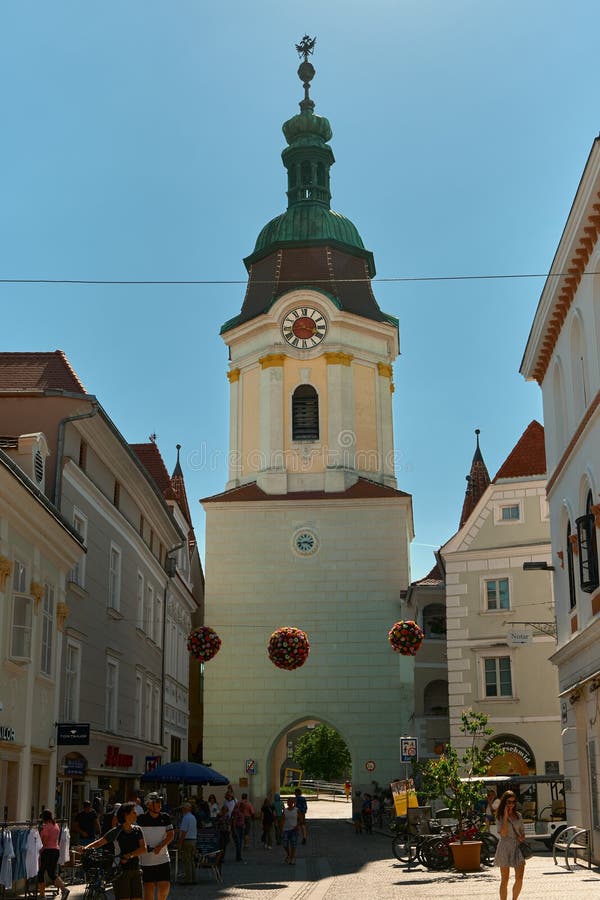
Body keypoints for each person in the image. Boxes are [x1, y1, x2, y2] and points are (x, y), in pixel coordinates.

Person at [76, 802, 146, 900]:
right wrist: (85, 848)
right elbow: (100, 842)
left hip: (136, 870)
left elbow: (143, 849)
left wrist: (129, 855)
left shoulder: (138, 830)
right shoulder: (117, 831)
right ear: (126, 814)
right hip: (121, 871)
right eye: (134, 813)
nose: (136, 815)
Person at [137, 792, 174, 900]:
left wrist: (160, 846)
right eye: (156, 802)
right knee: (149, 888)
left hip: (163, 859)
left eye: (160, 802)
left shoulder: (165, 817)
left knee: (165, 886)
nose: (159, 804)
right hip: (146, 860)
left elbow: (171, 835)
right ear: (148, 804)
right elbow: (136, 835)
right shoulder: (141, 818)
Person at [494, 790, 527, 900]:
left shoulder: (518, 815)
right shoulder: (499, 816)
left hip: (517, 847)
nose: (511, 804)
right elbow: (502, 833)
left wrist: (522, 836)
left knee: (520, 877)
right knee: (505, 879)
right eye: (509, 802)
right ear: (504, 802)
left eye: (513, 802)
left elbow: (522, 831)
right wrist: (505, 816)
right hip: (505, 847)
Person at [37, 810, 70, 900]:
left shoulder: (46, 827)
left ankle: (42, 895)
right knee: (52, 873)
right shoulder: (56, 826)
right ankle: (64, 889)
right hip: (55, 850)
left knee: (41, 873)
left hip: (47, 851)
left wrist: (39, 849)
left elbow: (44, 842)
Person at [176, 801, 197, 885]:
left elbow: (184, 832)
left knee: (187, 860)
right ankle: (193, 878)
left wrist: (179, 842)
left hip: (187, 841)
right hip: (193, 840)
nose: (182, 810)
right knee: (191, 860)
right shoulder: (193, 817)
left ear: (185, 809)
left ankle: (188, 879)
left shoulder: (185, 818)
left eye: (183, 808)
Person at [281, 797, 299, 865]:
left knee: (293, 844)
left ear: (293, 802)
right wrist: (281, 829)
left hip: (294, 829)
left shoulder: (296, 810)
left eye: (290, 802)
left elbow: (300, 818)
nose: (289, 803)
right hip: (285, 829)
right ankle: (288, 854)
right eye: (288, 802)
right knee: (285, 844)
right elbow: (282, 820)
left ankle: (292, 858)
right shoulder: (285, 810)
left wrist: (297, 825)